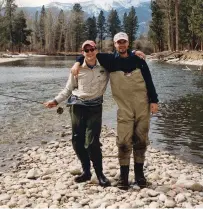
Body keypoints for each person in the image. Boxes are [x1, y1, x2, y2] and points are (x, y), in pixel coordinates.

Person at [71, 32, 158, 190]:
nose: (122, 45)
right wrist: (77, 63)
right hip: (124, 109)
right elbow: (90, 55)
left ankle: (139, 176)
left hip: (143, 106)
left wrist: (154, 100)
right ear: (115, 45)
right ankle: (124, 178)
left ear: (128, 43)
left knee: (141, 141)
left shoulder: (139, 59)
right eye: (119, 43)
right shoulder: (109, 60)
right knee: (123, 142)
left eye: (124, 42)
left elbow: (149, 80)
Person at [44, 40, 111, 187]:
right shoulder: (76, 69)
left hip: (95, 107)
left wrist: (135, 53)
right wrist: (55, 101)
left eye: (92, 49)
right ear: (83, 53)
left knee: (92, 143)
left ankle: (100, 174)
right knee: (76, 140)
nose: (90, 52)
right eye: (86, 50)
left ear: (96, 50)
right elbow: (68, 90)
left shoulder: (106, 66)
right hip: (77, 106)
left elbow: (122, 59)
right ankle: (86, 172)